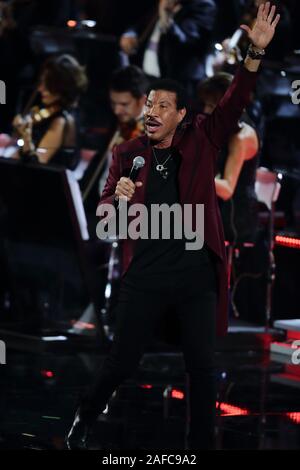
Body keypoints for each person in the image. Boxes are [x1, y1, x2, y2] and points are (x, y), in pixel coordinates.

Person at [66, 2, 280, 450]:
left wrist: (254, 55)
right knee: (122, 363)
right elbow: (106, 220)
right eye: (149, 104)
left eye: (163, 105)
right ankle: (87, 412)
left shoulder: (203, 138)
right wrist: (115, 202)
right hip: (145, 274)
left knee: (201, 366)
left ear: (182, 114)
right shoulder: (127, 154)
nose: (152, 111)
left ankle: (199, 443)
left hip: (195, 276)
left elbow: (236, 98)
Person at [198, 72, 259, 243]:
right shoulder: (222, 127)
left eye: (211, 106)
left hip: (234, 217)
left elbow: (227, 190)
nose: (205, 111)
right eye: (206, 105)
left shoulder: (240, 138)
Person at [120, 0, 216, 96]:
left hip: (175, 83)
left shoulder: (203, 6)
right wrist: (129, 34)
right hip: (144, 77)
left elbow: (185, 44)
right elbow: (140, 23)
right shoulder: (163, 2)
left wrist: (166, 18)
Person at [12, 54, 88, 169]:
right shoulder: (54, 113)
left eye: (47, 85)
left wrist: (26, 142)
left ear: (61, 88)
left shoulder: (60, 121)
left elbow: (38, 163)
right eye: (42, 82)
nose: (40, 88)